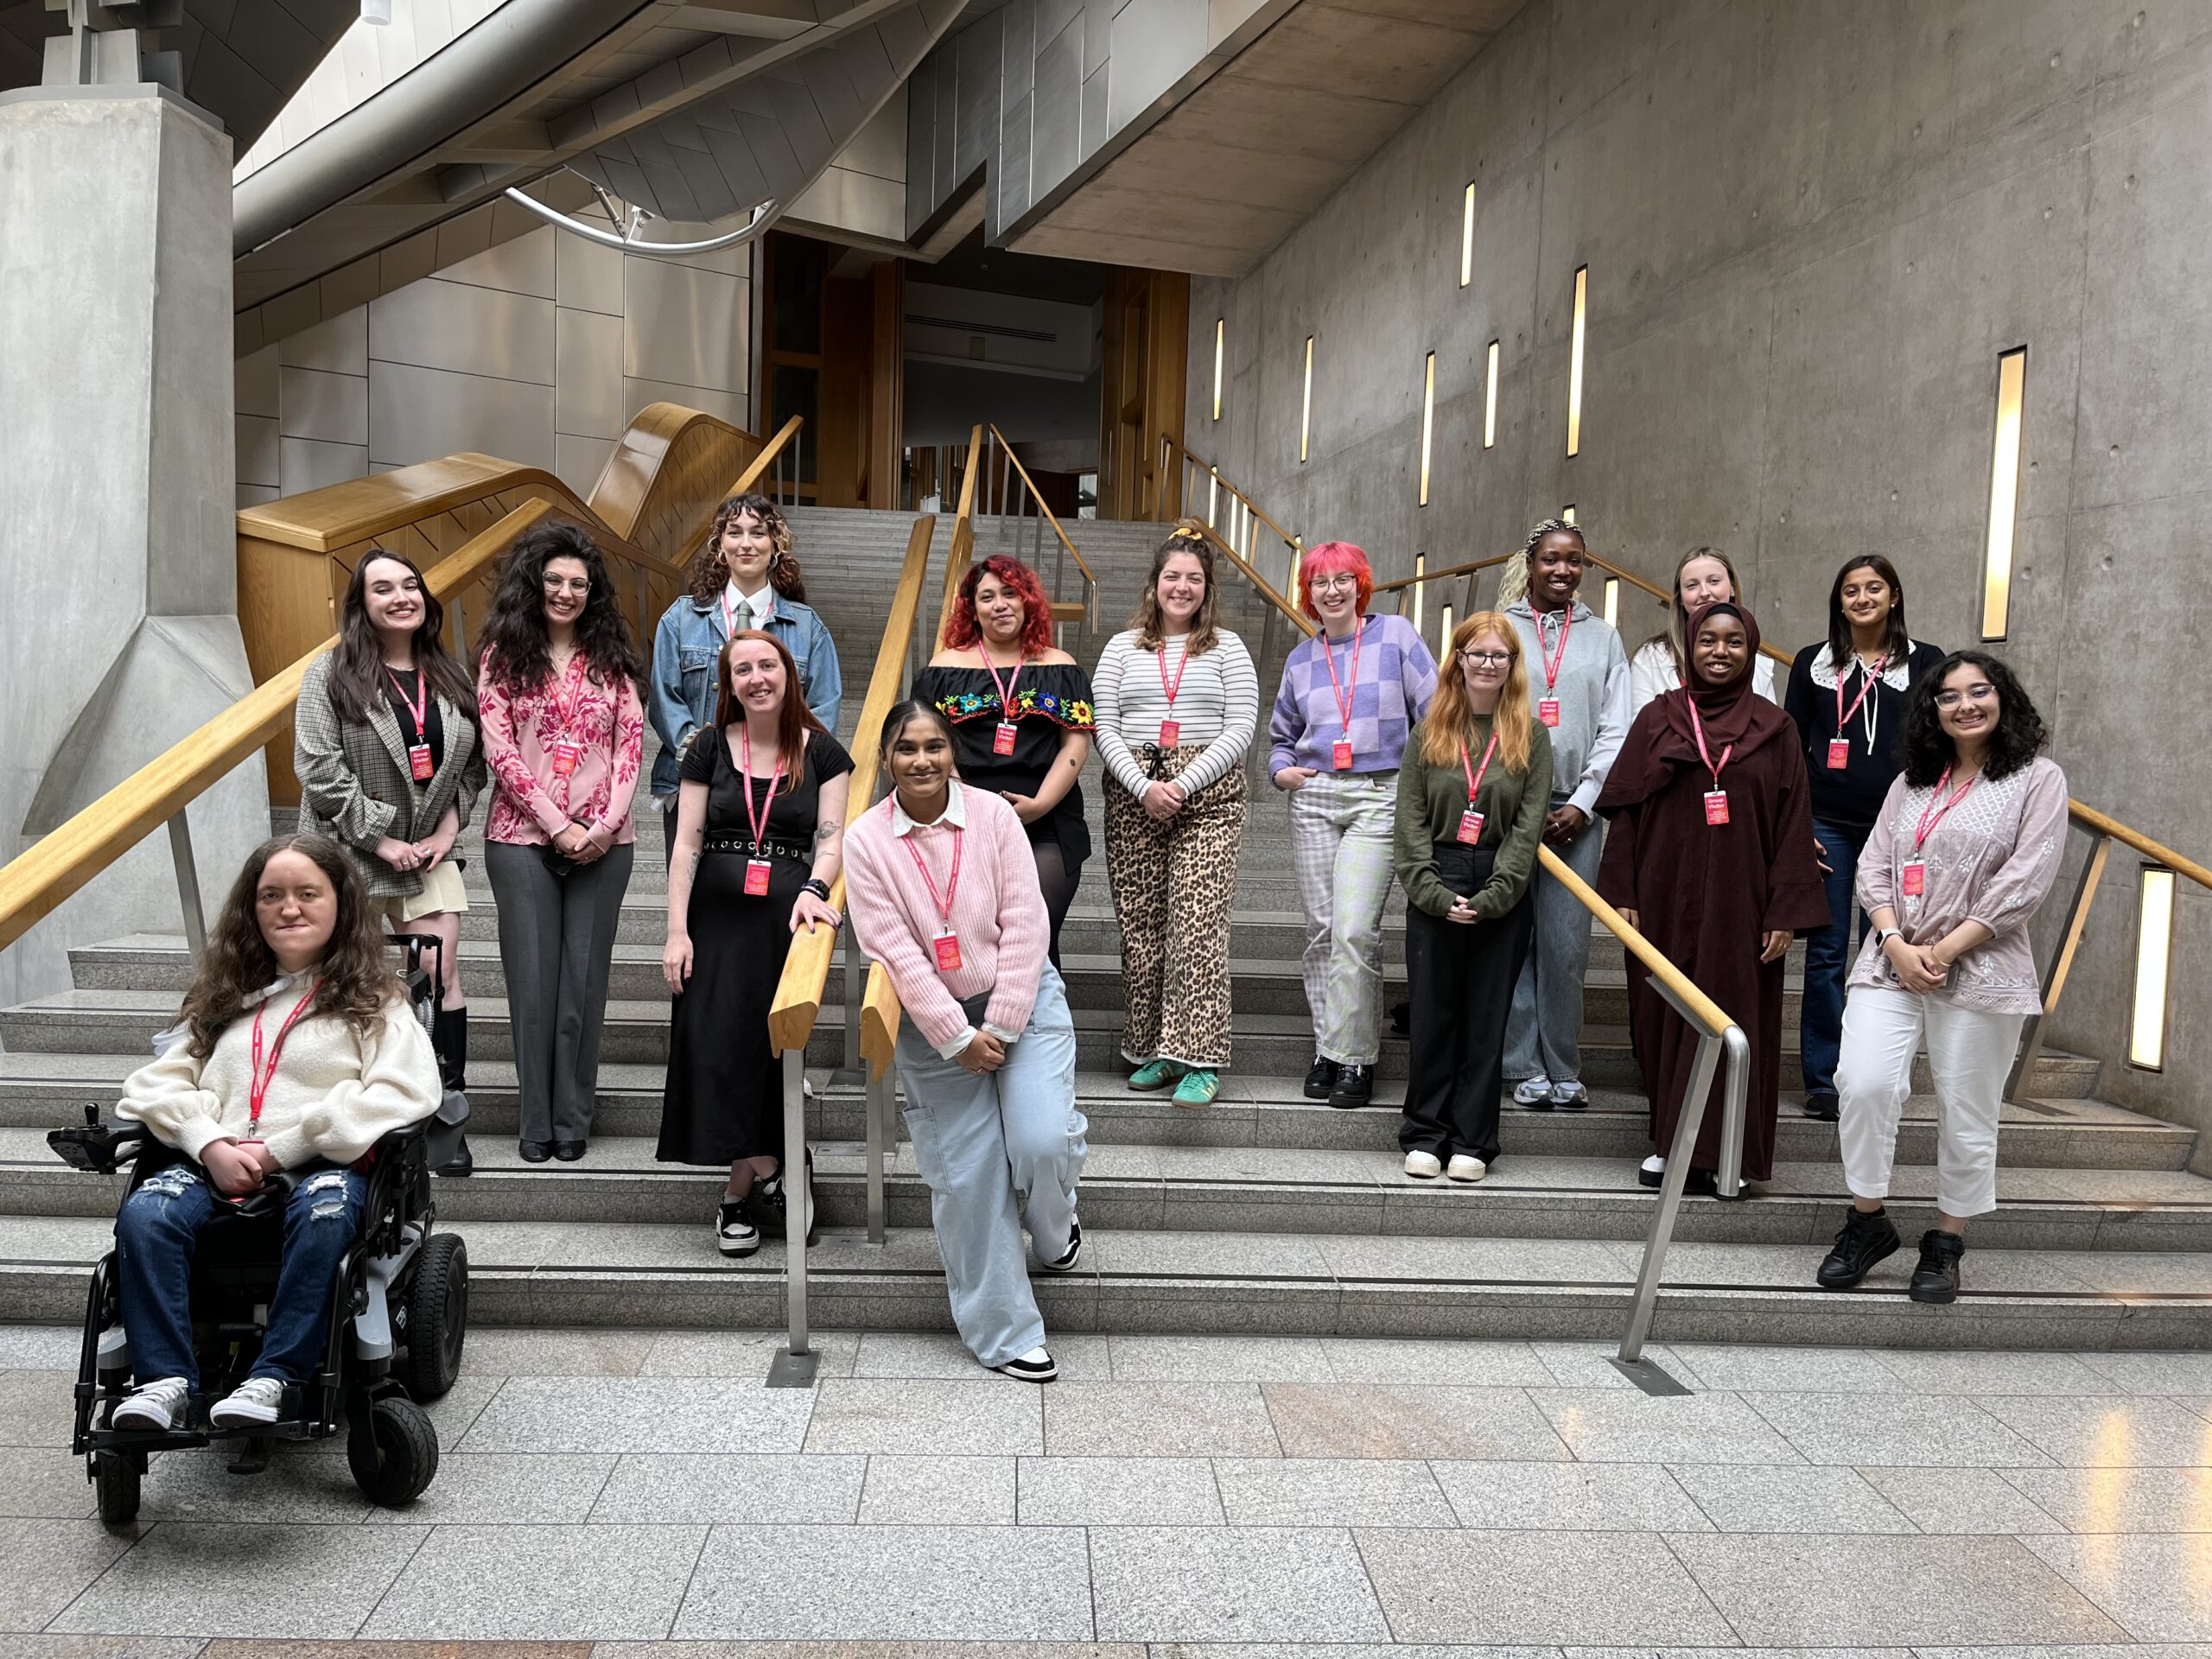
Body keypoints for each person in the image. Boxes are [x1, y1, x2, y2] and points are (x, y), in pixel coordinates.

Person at [107, 835, 442, 1433]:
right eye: (272, 896)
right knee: (145, 1212)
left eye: (308, 893)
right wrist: (208, 1142)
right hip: (215, 1163)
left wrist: (282, 1147)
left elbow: (408, 1092)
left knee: (327, 1211)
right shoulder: (223, 1000)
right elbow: (150, 1086)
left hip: (317, 1166)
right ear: (252, 910)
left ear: (339, 904)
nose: (290, 907)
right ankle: (164, 1382)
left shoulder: (375, 1001)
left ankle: (275, 1378)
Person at [842, 700, 1087, 1382]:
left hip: (1023, 1000)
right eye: (905, 749)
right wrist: (956, 1037)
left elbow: (1026, 921)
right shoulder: (866, 841)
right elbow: (890, 948)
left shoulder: (994, 817)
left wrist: (1001, 1025)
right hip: (933, 1027)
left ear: (953, 751)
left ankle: (1054, 1221)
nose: (922, 760)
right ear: (887, 759)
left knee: (1039, 1140)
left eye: (933, 746)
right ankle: (1005, 1332)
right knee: (970, 1175)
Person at [1815, 652, 2065, 1303]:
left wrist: (1949, 947)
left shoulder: (2038, 780)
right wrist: (1895, 942)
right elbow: (1872, 866)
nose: (1965, 705)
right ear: (1932, 711)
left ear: (2004, 699)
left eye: (1979, 692)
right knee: (1863, 1081)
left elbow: (2027, 878)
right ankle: (1867, 1222)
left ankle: (1947, 1239)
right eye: (1948, 697)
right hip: (1892, 961)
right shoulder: (1912, 782)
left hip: (1983, 965)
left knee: (1968, 1108)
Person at [1595, 603, 1830, 1193]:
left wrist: (1784, 909)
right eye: (1707, 641)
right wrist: (1621, 890)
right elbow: (1625, 813)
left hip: (1743, 902)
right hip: (1661, 892)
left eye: (1733, 642)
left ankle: (1729, 1153)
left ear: (1750, 652)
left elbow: (1792, 823)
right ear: (1689, 650)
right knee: (1663, 1013)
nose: (1720, 651)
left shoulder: (1776, 729)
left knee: (1736, 1015)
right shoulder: (1658, 718)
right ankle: (1669, 1142)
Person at [293, 548, 485, 1177]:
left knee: (441, 974)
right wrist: (381, 839)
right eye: (383, 589)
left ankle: (441, 1119)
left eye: (410, 585)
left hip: (428, 851)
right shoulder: (330, 675)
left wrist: (447, 830)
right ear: (362, 606)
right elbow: (320, 768)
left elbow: (471, 769)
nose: (401, 596)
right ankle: (341, 1118)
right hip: (347, 853)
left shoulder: (451, 675)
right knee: (339, 979)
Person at [659, 630, 850, 1257]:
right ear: (729, 683)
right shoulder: (708, 747)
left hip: (785, 920)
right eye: (742, 669)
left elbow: (830, 838)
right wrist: (676, 930)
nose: (756, 677)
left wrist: (816, 889)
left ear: (789, 673)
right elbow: (686, 843)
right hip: (712, 920)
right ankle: (777, 1166)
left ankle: (738, 1194)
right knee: (712, 1045)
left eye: (767, 664)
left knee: (763, 1053)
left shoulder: (822, 752)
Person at [476, 521, 646, 1164]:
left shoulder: (614, 662)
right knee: (533, 986)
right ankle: (536, 1123)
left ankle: (574, 1120)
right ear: (533, 582)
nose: (567, 592)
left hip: (607, 842)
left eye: (579, 582)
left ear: (593, 591)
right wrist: (558, 824)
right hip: (520, 839)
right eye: (555, 580)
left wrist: (601, 827)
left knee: (582, 984)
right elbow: (501, 754)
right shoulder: (501, 656)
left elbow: (630, 747)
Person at [1091, 522, 1259, 1108]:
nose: (1181, 587)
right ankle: (1154, 1050)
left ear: (1207, 588)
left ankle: (1200, 1057)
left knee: (1195, 926)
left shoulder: (1228, 649)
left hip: (1206, 800)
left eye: (1193, 578)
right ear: (1154, 584)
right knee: (1141, 929)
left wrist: (1181, 784)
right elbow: (1103, 726)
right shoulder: (1121, 647)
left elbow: (1240, 728)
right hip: (1133, 798)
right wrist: (1143, 787)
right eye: (1172, 576)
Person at [1268, 542, 1437, 1109]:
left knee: (1354, 931)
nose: (1332, 590)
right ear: (1308, 593)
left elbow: (1436, 715)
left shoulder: (1396, 637)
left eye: (1344, 579)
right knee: (1320, 932)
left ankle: (1357, 1057)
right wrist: (1282, 772)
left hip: (1378, 796)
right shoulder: (1300, 660)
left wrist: (1417, 785)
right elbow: (1280, 739)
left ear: (1361, 585)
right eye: (1320, 582)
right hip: (1315, 796)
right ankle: (1328, 1048)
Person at [1783, 554, 1947, 1121]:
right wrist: (1799, 824)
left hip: (1898, 829)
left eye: (1874, 588)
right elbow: (1792, 749)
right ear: (1839, 601)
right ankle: (1826, 1079)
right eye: (1850, 590)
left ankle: (1872, 1073)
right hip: (1827, 823)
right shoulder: (1813, 663)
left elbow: (1940, 743)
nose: (1861, 598)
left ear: (1894, 597)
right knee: (1827, 952)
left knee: (1883, 948)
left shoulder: (1926, 662)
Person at [1392, 613, 1552, 1181]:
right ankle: (1426, 1133)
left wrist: (1494, 896)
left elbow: (1529, 826)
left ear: (1512, 666)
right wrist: (1433, 893)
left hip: (1499, 885)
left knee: (1487, 1020)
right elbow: (1408, 821)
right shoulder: (1428, 732)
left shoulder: (1531, 735)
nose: (1488, 664)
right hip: (1436, 874)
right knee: (1435, 1015)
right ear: (1457, 660)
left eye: (1499, 655)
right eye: (1477, 653)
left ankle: (1473, 1141)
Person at [1500, 518, 1630, 1110]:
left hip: (1576, 812)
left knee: (1566, 944)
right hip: (1507, 808)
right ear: (1530, 565)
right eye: (1551, 559)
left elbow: (1617, 728)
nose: (1562, 570)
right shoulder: (1500, 629)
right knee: (1513, 937)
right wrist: (1510, 797)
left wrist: (1584, 803)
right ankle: (1523, 1063)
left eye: (1574, 560)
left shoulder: (1604, 639)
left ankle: (1564, 1064)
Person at [912, 556, 1095, 965]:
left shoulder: (1061, 668)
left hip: (1046, 820)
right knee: (977, 942)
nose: (1000, 605)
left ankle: (1039, 1028)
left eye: (1010, 593)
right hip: (964, 821)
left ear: (1027, 600)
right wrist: (973, 806)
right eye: (987, 596)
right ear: (972, 609)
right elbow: (930, 745)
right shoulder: (942, 670)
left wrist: (1041, 805)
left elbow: (1074, 746)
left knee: (1035, 942)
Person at [646, 493, 843, 855]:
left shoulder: (807, 627)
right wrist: (705, 758)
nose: (746, 544)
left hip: (777, 789)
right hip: (693, 783)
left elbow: (822, 710)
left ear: (776, 545)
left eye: (758, 533)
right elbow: (663, 699)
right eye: (735, 532)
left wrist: (785, 765)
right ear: (719, 546)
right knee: (691, 904)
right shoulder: (680, 620)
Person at [1626, 547, 1777, 716]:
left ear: (1732, 588)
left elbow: (1769, 730)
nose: (1704, 593)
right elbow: (1642, 729)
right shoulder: (1650, 658)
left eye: (1714, 581)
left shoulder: (1759, 665)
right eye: (1692, 585)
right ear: (1681, 598)